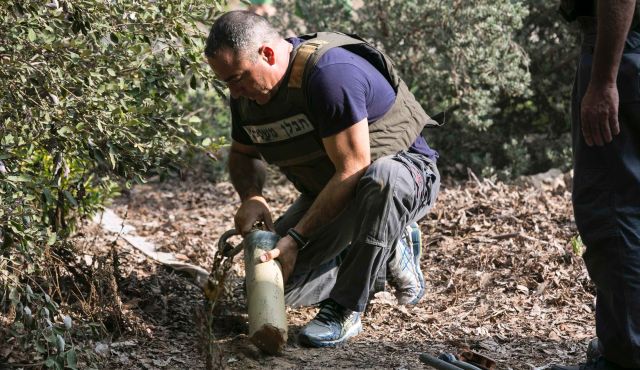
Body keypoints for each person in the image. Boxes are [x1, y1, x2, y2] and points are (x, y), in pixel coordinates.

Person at [204, 11, 440, 347]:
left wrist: (296, 240)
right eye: (227, 82)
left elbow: (354, 167)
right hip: (332, 194)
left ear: (267, 54)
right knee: (271, 288)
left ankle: (344, 308)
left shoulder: (328, 74)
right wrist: (252, 197)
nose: (236, 91)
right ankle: (373, 251)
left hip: (403, 175)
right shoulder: (245, 95)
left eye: (238, 79)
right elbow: (243, 154)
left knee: (381, 178)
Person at [551, 0, 640, 369]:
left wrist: (604, 80)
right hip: (628, 49)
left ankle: (626, 355)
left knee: (613, 207)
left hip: (622, 53)